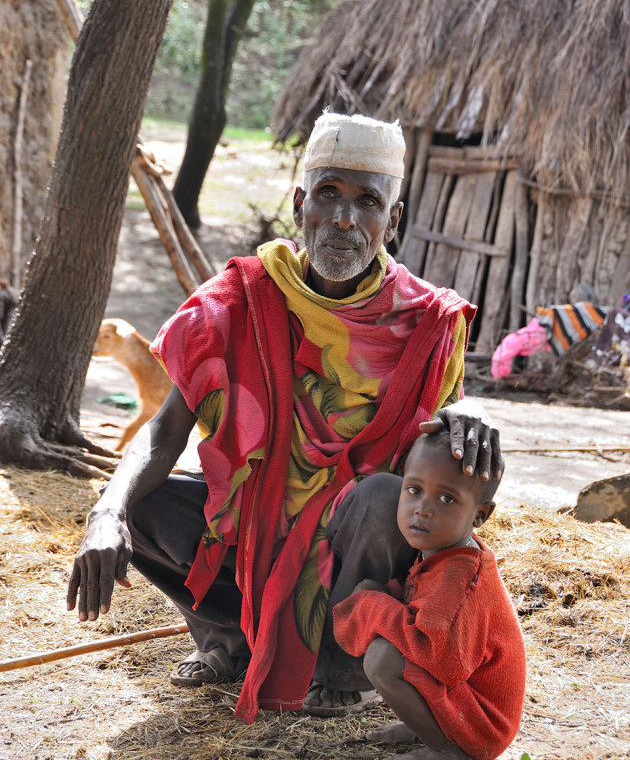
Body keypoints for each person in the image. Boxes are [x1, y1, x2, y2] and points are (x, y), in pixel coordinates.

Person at [67, 111, 503, 723]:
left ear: (392, 221)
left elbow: (443, 433)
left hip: (356, 546)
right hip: (253, 526)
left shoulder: (429, 323)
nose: (344, 219)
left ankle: (341, 668)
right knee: (138, 498)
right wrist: (106, 513)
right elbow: (165, 432)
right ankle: (228, 639)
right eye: (328, 195)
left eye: (367, 202)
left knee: (382, 498)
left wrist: (470, 419)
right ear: (300, 206)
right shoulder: (235, 301)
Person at [333, 428, 525, 760]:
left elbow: (445, 661)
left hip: (484, 724)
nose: (423, 509)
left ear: (480, 515)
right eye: (414, 490)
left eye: (446, 499)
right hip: (467, 703)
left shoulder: (460, 578)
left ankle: (448, 752)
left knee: (382, 659)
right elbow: (423, 608)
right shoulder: (446, 552)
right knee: (388, 646)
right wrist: (390, 593)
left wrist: (375, 605)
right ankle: (430, 728)